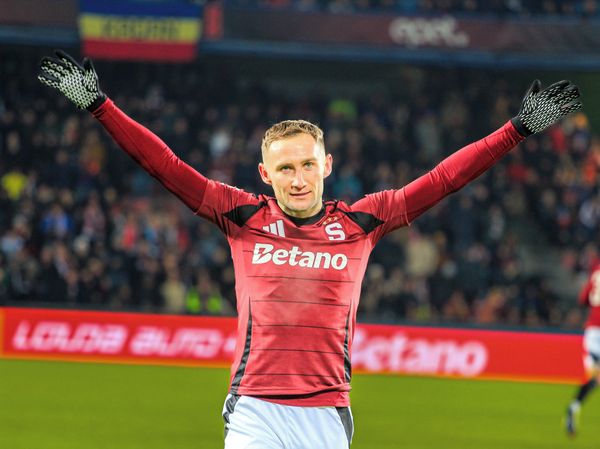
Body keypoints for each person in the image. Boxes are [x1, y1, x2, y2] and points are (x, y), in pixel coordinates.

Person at [38, 50, 581, 449]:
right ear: (264, 174)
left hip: (327, 414)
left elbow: (443, 179)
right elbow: (165, 165)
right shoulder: (242, 216)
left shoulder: (363, 222)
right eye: (284, 168)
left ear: (327, 165)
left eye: (306, 165)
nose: (297, 179)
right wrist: (100, 106)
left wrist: (516, 130)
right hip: (254, 409)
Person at [565, 261, 600, 437]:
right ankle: (573, 408)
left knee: (595, 378)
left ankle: (573, 407)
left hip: (593, 332)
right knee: (595, 378)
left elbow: (583, 299)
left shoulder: (596, 269)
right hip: (595, 334)